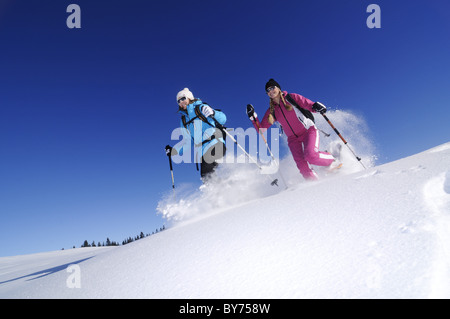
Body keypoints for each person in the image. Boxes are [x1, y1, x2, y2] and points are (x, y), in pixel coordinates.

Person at [247, 79, 340, 180]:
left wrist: (316, 106)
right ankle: (314, 185)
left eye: (272, 88)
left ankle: (333, 160)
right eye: (268, 90)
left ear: (278, 88)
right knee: (302, 166)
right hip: (293, 140)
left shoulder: (291, 97)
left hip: (308, 130)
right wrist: (253, 117)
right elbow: (261, 130)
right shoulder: (271, 111)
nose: (270, 91)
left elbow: (307, 104)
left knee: (310, 156)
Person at [165, 88, 227, 182]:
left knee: (207, 174)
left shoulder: (200, 108)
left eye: (183, 98)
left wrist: (213, 113)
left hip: (216, 144)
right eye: (178, 101)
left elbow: (223, 119)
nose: (181, 102)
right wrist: (173, 151)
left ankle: (223, 189)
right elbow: (187, 142)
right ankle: (227, 187)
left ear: (189, 98)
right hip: (203, 152)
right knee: (206, 178)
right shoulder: (184, 121)